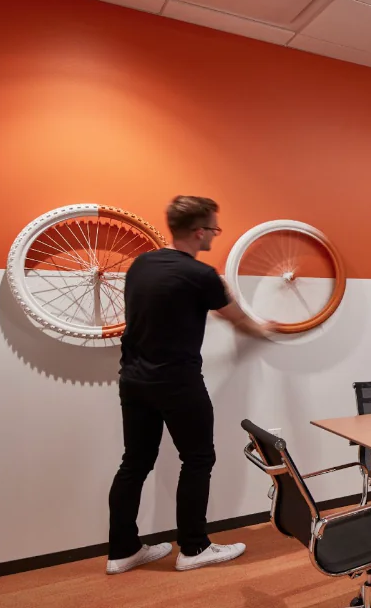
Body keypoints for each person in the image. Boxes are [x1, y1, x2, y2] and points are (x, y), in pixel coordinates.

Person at [106, 196, 273, 575]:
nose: (214, 234)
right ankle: (194, 548)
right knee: (198, 459)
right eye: (214, 228)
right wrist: (267, 328)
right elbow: (239, 321)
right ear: (199, 232)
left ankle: (122, 551)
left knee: (134, 463)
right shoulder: (200, 275)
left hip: (133, 380)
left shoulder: (141, 265)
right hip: (177, 382)